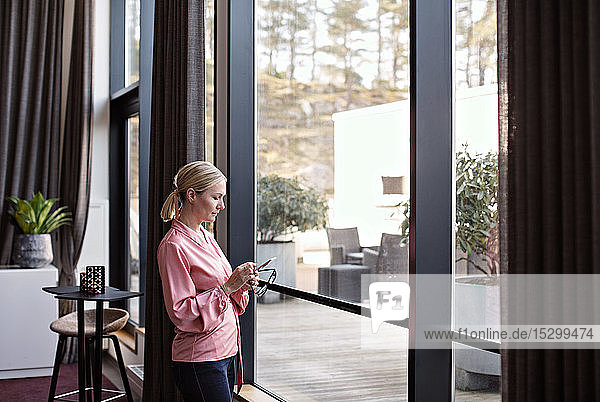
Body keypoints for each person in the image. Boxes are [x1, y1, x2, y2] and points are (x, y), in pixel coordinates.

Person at [157, 161, 258, 402]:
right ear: (192, 195)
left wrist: (241, 283)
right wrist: (228, 287)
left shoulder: (206, 236)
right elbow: (180, 311)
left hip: (226, 351)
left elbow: (223, 290)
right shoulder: (173, 246)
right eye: (216, 197)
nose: (222, 206)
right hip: (200, 359)